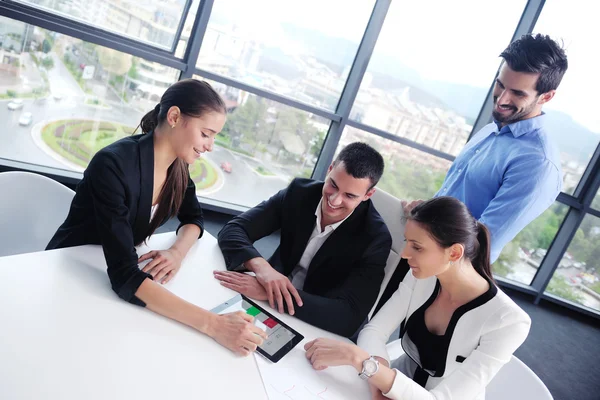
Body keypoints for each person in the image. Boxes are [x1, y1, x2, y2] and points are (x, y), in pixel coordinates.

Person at [47, 79, 267, 356]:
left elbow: (194, 220)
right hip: (70, 268)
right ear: (174, 117)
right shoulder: (112, 164)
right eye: (206, 134)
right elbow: (125, 277)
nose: (210, 146)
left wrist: (176, 252)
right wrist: (214, 325)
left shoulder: (178, 166)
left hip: (110, 274)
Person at [375, 33, 568, 315]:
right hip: (418, 251)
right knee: (369, 321)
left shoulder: (538, 164)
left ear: (546, 96)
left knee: (402, 344)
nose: (502, 99)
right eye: (500, 85)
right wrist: (426, 210)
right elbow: (456, 199)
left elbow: (483, 240)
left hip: (447, 272)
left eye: (517, 93)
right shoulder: (493, 129)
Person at [304, 197, 531, 400]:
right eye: (407, 242)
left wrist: (363, 362)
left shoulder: (509, 322)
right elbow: (374, 331)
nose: (404, 254)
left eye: (417, 247)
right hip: (397, 383)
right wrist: (377, 380)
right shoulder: (424, 276)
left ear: (454, 253)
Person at [214, 143, 392, 337]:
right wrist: (262, 269)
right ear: (330, 169)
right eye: (333, 184)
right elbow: (234, 229)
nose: (334, 200)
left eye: (349, 195)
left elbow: (349, 316)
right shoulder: (299, 193)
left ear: (368, 195)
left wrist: (274, 294)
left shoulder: (375, 238)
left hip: (315, 319)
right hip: (267, 295)